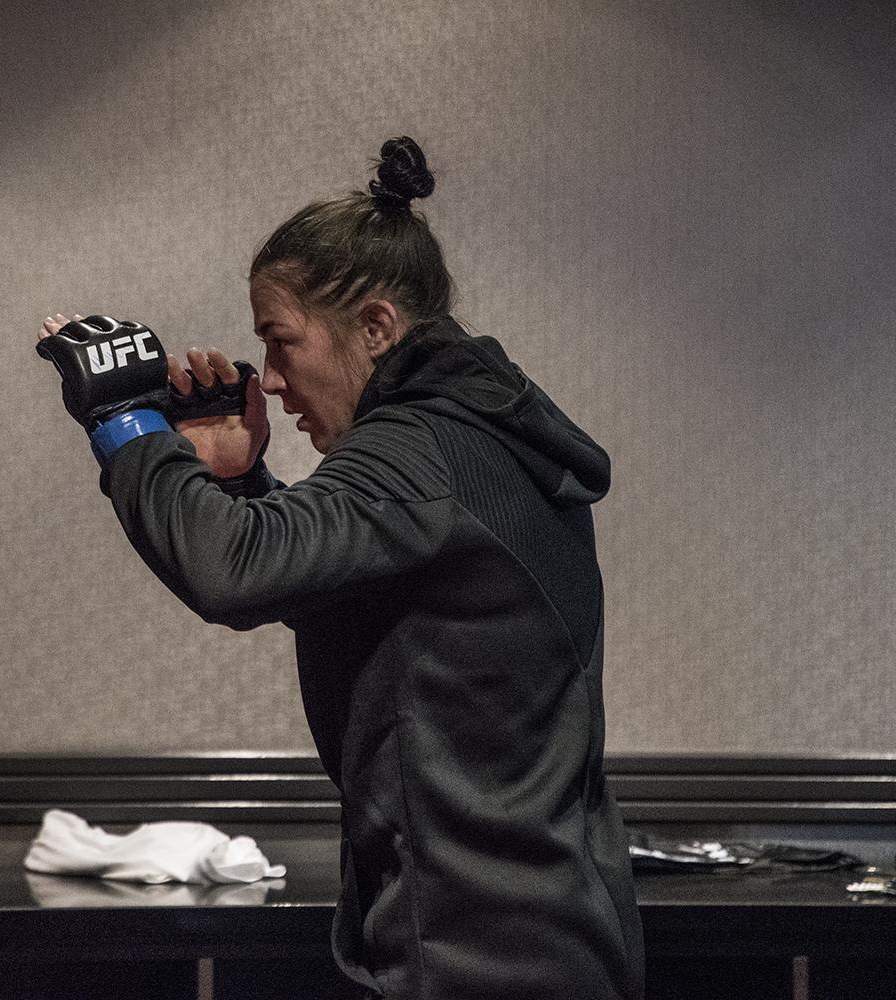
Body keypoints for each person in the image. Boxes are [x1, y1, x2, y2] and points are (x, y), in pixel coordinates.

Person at [38, 137, 644, 1000]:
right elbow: (328, 571)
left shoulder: (415, 451)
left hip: (474, 959)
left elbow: (234, 571)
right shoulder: (485, 435)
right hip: (556, 937)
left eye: (282, 342)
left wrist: (127, 420)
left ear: (375, 327)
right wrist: (238, 475)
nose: (274, 380)